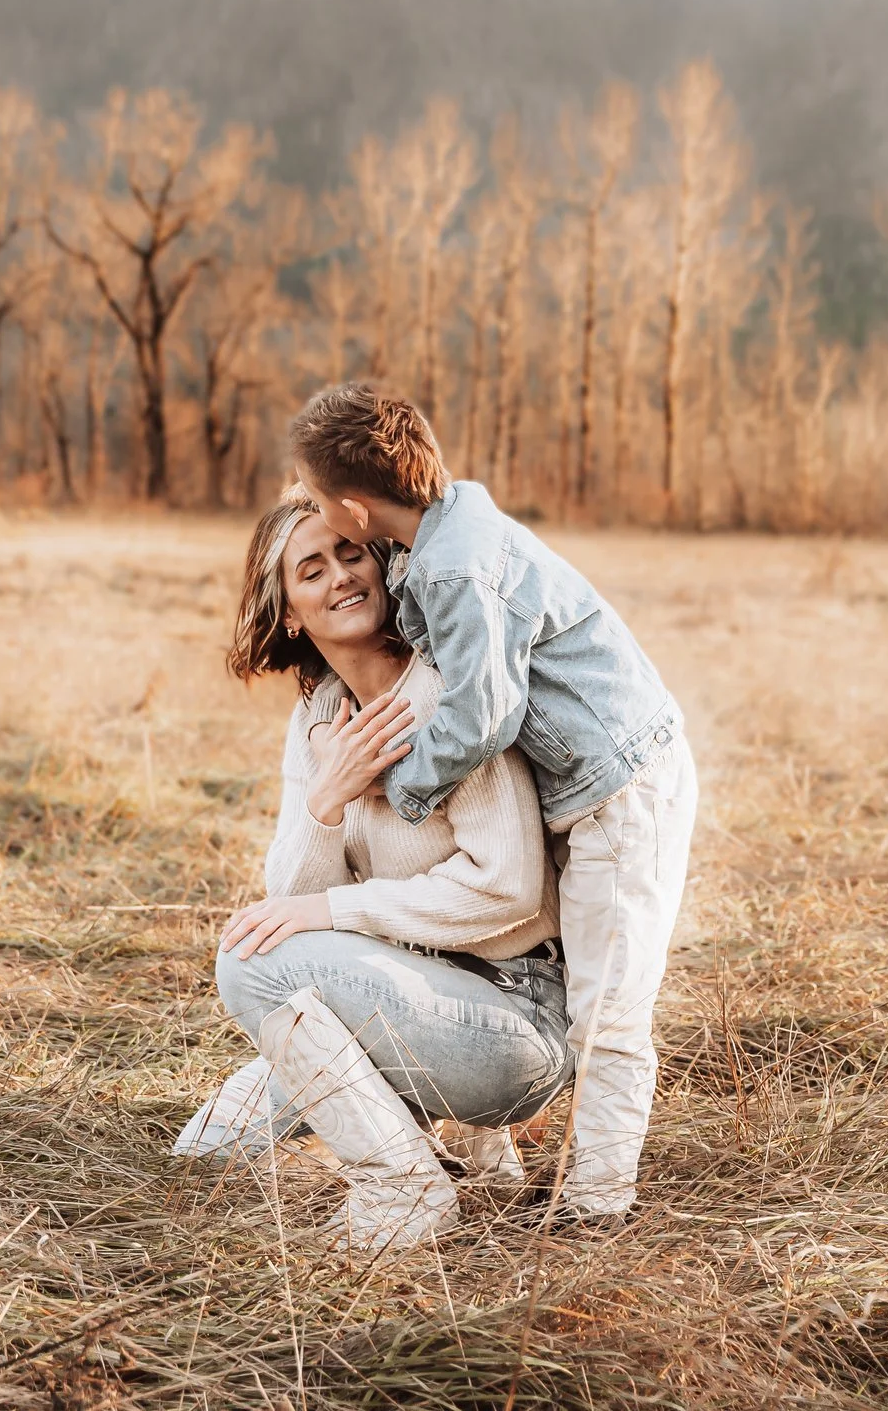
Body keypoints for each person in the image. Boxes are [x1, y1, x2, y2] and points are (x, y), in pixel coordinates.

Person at [287, 383, 695, 1224]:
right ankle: (515, 1165)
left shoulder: (459, 566)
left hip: (624, 790)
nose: (318, 516)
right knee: (581, 987)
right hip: (585, 789)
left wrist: (401, 783)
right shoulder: (435, 538)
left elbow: (484, 712)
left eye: (320, 503)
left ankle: (598, 1203)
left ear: (355, 510)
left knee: (609, 1007)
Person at [175, 490, 574, 1252]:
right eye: (312, 569)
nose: (340, 577)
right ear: (291, 613)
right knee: (207, 1152)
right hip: (406, 1001)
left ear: (381, 565)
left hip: (516, 1023)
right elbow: (291, 910)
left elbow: (511, 883)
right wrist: (326, 796)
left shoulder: (445, 692)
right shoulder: (318, 717)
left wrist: (341, 910)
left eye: (350, 553)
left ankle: (405, 1186)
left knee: (245, 962)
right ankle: (469, 1163)